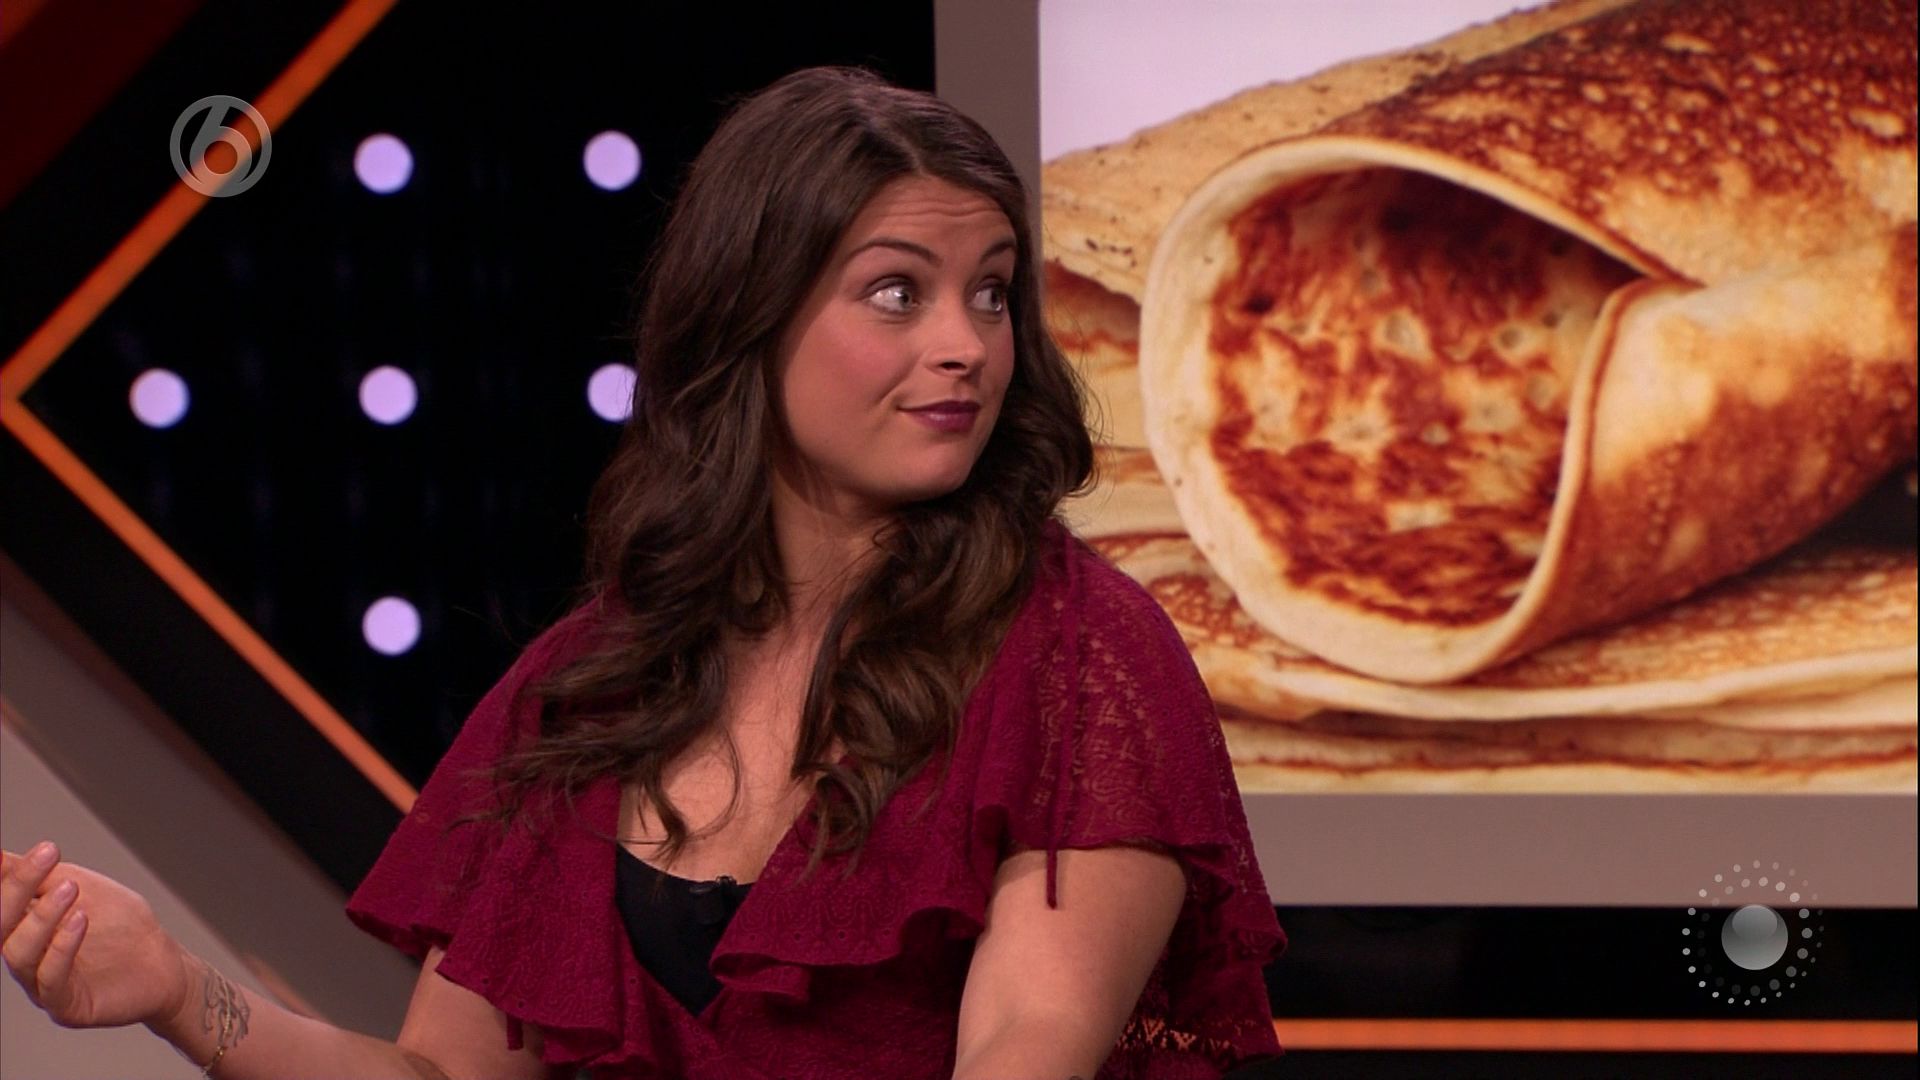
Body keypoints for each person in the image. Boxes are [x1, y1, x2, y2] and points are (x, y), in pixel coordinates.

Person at [1, 66, 1284, 1078]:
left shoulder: (1083, 653)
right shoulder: (598, 676)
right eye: (898, 293)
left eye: (992, 294)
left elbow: (1027, 1048)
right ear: (751, 314)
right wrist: (182, 993)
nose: (967, 346)